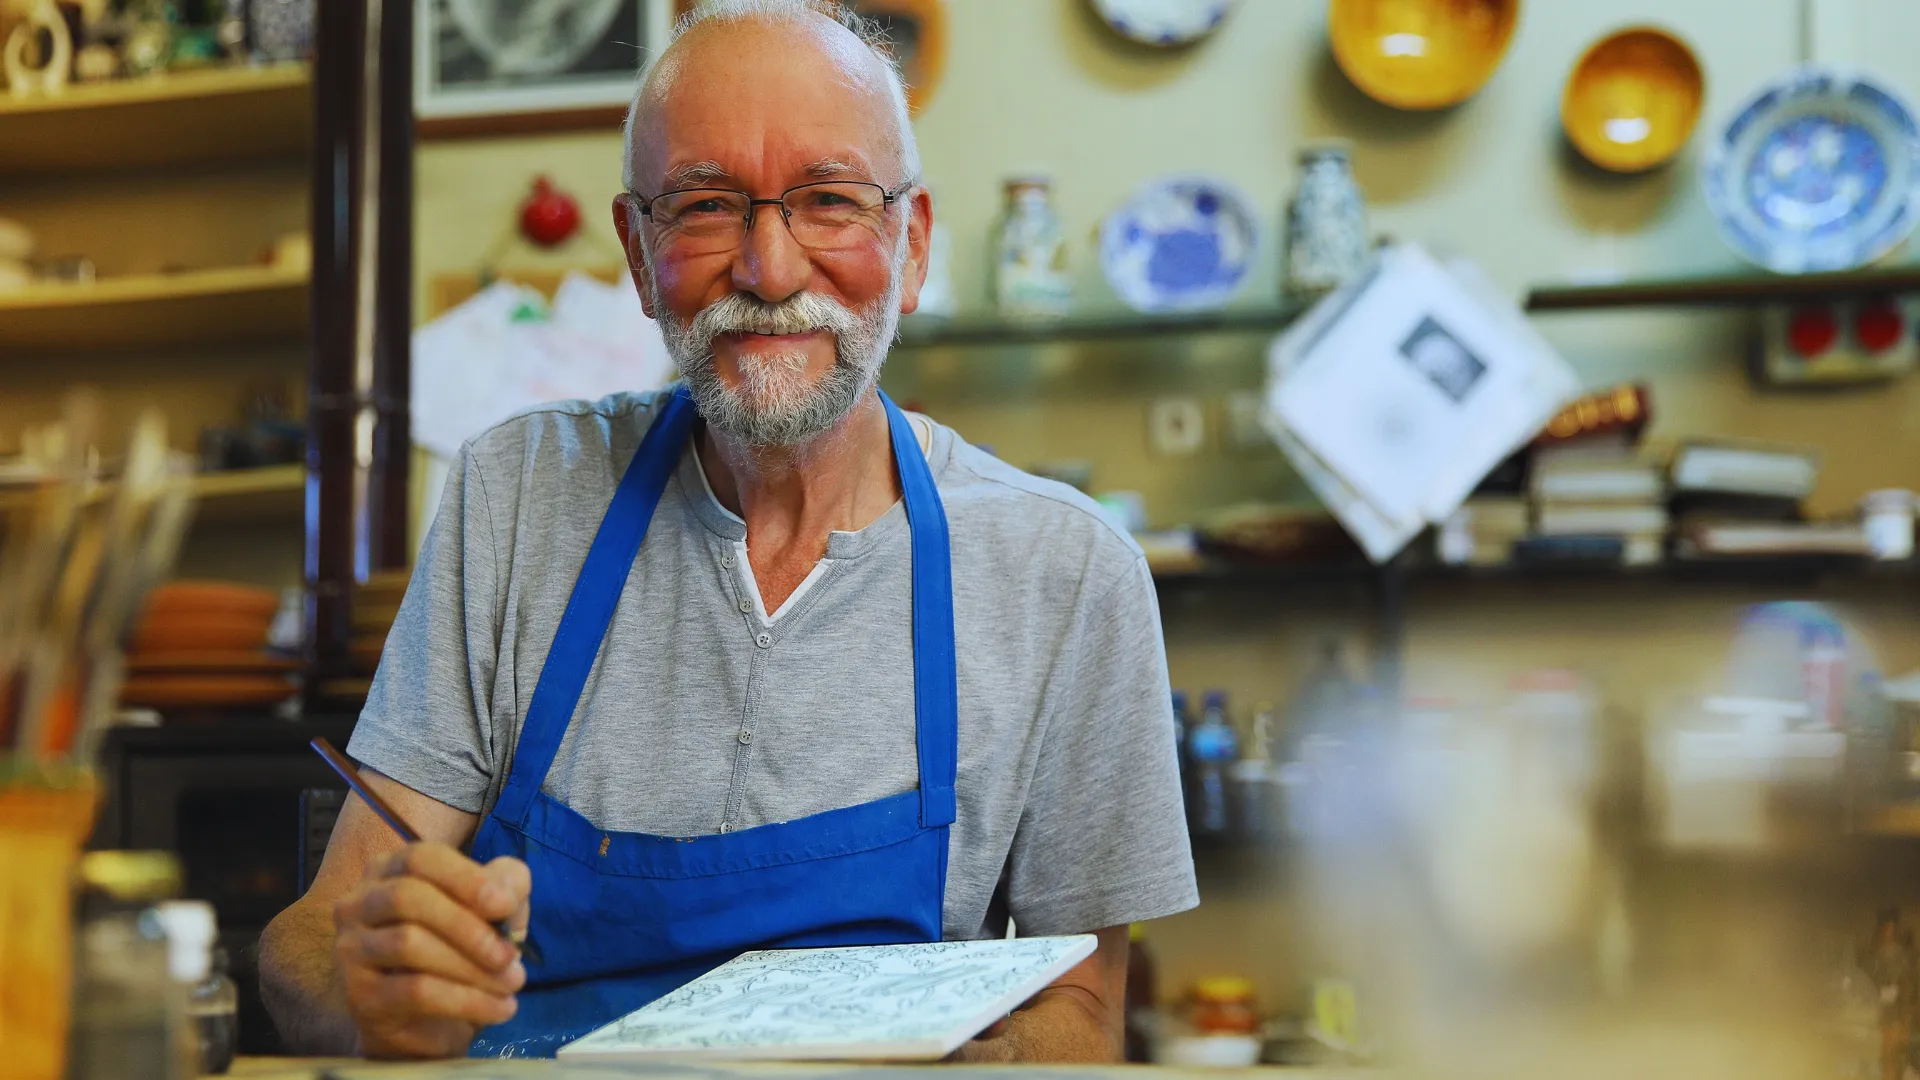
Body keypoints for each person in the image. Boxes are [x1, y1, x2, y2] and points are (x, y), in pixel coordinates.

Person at [259, 0, 1195, 1060]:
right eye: (705, 206)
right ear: (635, 243)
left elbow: (1081, 1015)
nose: (768, 269)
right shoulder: (514, 497)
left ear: (914, 242)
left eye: (829, 200)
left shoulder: (1066, 575)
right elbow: (307, 946)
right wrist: (368, 981)